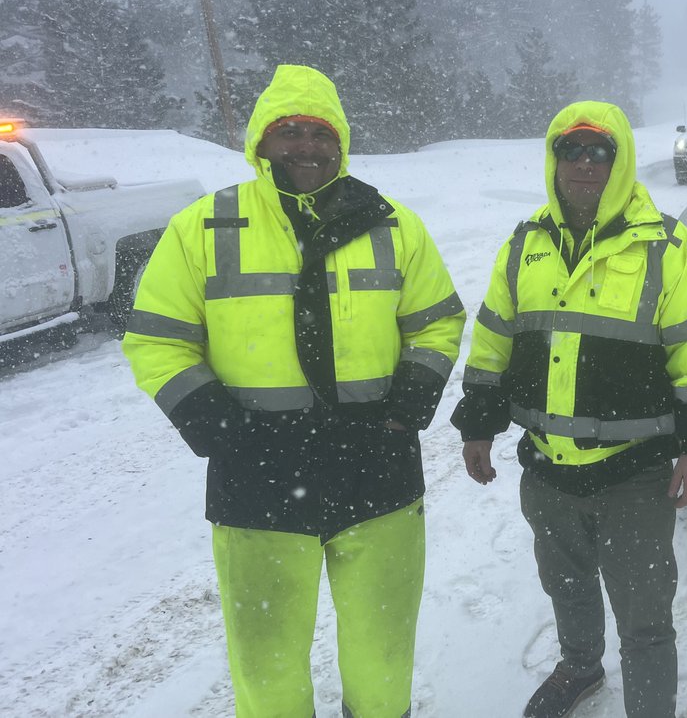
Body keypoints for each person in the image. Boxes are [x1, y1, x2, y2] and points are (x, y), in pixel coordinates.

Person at [123, 64, 465, 718]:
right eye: (289, 131)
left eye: (320, 132)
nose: (306, 144)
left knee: (383, 654)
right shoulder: (204, 227)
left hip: (380, 471)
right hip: (257, 479)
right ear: (260, 143)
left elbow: (439, 320)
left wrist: (408, 405)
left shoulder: (393, 225)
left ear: (341, 144)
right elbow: (156, 338)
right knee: (267, 666)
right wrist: (219, 429)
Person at [451, 101, 687, 718]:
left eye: (599, 152)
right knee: (568, 586)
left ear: (621, 160)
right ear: (553, 160)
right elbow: (495, 337)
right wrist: (478, 422)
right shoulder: (526, 243)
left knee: (644, 612)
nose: (584, 164)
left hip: (635, 473)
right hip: (548, 470)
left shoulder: (668, 247)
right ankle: (580, 669)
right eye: (570, 150)